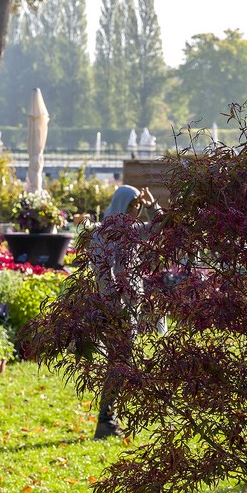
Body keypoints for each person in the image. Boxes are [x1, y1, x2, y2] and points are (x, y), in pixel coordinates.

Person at [88, 184, 163, 439]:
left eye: (138, 207)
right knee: (120, 362)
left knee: (120, 362)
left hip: (129, 306)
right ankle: (105, 419)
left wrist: (153, 206)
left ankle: (108, 418)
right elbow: (102, 272)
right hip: (114, 309)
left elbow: (159, 228)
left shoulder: (132, 231)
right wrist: (115, 303)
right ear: (121, 205)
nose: (135, 212)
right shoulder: (102, 234)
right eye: (133, 206)